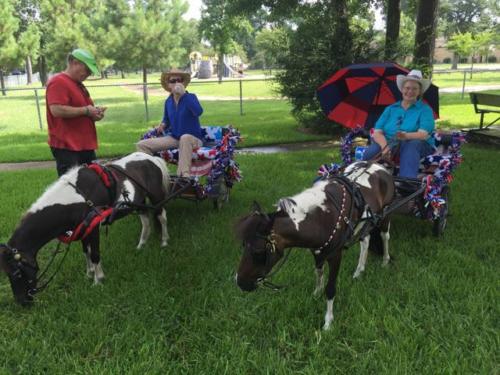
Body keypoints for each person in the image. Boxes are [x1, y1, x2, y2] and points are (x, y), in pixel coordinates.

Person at [362, 69, 435, 178]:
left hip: (417, 143)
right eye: (407, 88)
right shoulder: (390, 109)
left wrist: (405, 136)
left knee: (410, 146)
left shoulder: (425, 110)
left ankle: (407, 183)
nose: (410, 91)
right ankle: (366, 181)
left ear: (420, 92)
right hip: (389, 142)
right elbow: (377, 132)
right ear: (402, 89)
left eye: (415, 89)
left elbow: (423, 134)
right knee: (370, 153)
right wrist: (385, 148)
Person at [46, 48, 107, 176]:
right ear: (75, 63)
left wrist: (95, 113)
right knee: (71, 187)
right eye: (87, 69)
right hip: (67, 146)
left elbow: (86, 110)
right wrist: (86, 110)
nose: (89, 74)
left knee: (93, 181)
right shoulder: (59, 81)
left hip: (84, 144)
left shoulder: (78, 84)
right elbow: (56, 110)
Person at [136, 68, 203, 178]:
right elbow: (166, 120)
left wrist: (183, 95)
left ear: (183, 83)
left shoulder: (191, 97)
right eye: (173, 81)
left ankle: (183, 176)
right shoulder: (168, 102)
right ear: (168, 85)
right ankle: (153, 176)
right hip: (174, 138)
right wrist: (162, 125)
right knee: (142, 145)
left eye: (179, 80)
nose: (176, 83)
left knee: (185, 137)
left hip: (193, 139)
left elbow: (198, 112)